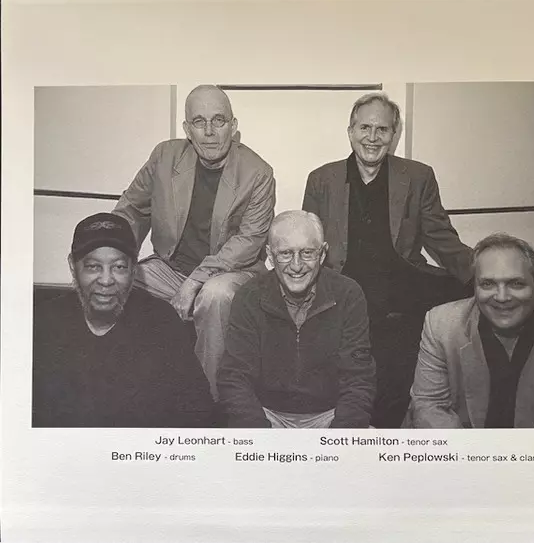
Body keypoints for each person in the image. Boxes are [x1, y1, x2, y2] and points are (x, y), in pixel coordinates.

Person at [302, 91, 472, 428]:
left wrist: (482, 272)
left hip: (401, 284)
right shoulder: (321, 179)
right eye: (364, 128)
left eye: (382, 129)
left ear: (394, 135)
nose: (372, 137)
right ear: (350, 131)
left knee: (469, 299)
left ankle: (390, 426)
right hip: (344, 286)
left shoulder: (418, 177)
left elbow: (442, 238)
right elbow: (309, 243)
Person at [113, 85, 276, 400]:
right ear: (187, 129)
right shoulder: (165, 157)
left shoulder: (258, 173)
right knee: (114, 280)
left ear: (233, 125)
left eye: (219, 120)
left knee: (215, 295)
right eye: (200, 122)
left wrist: (194, 283)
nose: (210, 132)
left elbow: (249, 241)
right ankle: (126, 390)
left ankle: (208, 401)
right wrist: (110, 251)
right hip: (171, 269)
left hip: (232, 274)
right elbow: (131, 209)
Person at [32, 213, 215, 428]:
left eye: (119, 267)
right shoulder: (44, 322)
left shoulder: (161, 322)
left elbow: (198, 410)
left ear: (134, 269)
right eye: (93, 266)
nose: (106, 280)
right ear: (73, 266)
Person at [217, 211, 376, 428]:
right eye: (285, 253)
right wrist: (261, 435)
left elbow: (359, 380)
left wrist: (338, 436)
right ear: (270, 255)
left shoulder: (348, 294)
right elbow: (235, 377)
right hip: (267, 415)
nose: (297, 265)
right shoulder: (249, 296)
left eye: (307, 253)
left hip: (329, 415)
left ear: (322, 254)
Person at [410, 233, 534, 428]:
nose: (502, 297)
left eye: (516, 284)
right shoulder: (441, 324)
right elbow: (429, 406)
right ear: (475, 288)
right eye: (488, 284)